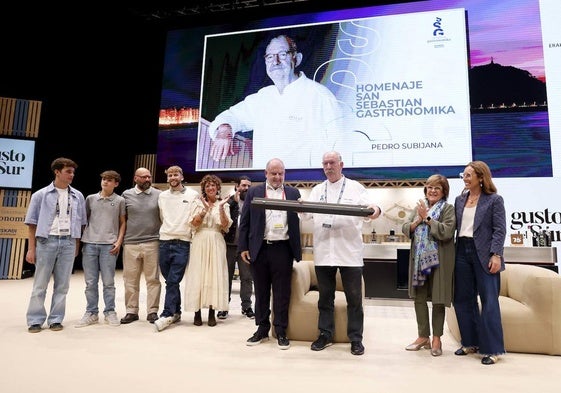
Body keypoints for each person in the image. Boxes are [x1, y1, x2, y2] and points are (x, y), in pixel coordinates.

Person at [207, 34, 345, 170]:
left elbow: (340, 147)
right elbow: (231, 116)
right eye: (270, 57)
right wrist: (224, 131)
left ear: (297, 59)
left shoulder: (321, 97)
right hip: (265, 186)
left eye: (282, 54)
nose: (276, 61)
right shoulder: (262, 97)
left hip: (306, 185)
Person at [299, 151, 381, 355]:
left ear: (341, 165)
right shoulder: (317, 190)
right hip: (324, 252)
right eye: (325, 163)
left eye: (332, 162)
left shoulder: (356, 188)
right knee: (325, 298)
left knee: (354, 299)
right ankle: (325, 334)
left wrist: (375, 209)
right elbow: (306, 214)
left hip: (349, 254)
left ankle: (356, 339)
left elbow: (372, 209)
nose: (328, 166)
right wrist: (299, 206)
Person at [238, 158, 302, 349]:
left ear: (284, 174)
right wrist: (243, 247)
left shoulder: (293, 192)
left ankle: (281, 330)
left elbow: (298, 221)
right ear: (266, 173)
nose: (277, 177)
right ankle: (262, 329)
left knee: (282, 293)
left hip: (283, 248)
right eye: (273, 173)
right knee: (261, 291)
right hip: (260, 248)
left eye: (280, 173)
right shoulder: (254, 192)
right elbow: (245, 221)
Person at [25, 157, 87, 333]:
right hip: (46, 241)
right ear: (57, 172)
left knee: (62, 285)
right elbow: (32, 224)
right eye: (68, 171)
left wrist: (76, 245)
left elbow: (81, 223)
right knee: (40, 284)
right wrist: (31, 248)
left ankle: (56, 319)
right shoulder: (40, 195)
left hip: (68, 241)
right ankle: (35, 320)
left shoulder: (77, 196)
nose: (72, 175)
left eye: (73, 172)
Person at [453, 161, 506, 365]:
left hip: (484, 254)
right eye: (463, 175)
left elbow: (499, 230)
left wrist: (496, 254)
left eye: (468, 175)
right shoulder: (459, 200)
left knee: (489, 301)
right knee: (462, 299)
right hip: (461, 251)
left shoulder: (494, 200)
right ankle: (470, 342)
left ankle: (492, 350)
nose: (465, 179)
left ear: (481, 177)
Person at [401, 174, 456, 356]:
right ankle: (423, 336)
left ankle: (437, 339)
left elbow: (447, 232)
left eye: (437, 188)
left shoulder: (448, 209)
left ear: (443, 192)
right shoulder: (420, 208)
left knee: (438, 299)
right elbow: (405, 227)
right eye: (429, 187)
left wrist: (428, 219)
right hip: (419, 259)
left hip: (440, 260)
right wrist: (419, 218)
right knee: (419, 298)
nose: (432, 191)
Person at [76, 170, 126, 328]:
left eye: (109, 180)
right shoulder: (90, 199)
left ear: (116, 183)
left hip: (109, 246)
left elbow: (123, 222)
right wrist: (81, 241)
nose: (105, 182)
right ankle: (91, 312)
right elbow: (85, 220)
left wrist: (119, 242)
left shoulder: (120, 200)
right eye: (103, 179)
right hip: (90, 244)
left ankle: (110, 312)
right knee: (90, 282)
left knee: (108, 282)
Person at [154, 166, 199, 332]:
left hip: (183, 242)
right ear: (167, 178)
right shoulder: (162, 196)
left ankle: (166, 314)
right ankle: (176, 311)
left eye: (176, 174)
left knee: (173, 280)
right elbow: (162, 217)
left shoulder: (192, 195)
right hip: (164, 240)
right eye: (170, 175)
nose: (173, 177)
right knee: (169, 280)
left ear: (181, 176)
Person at [184, 174, 232, 327]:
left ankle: (212, 312)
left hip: (216, 240)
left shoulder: (224, 204)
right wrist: (204, 210)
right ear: (204, 189)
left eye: (213, 185)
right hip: (200, 240)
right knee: (198, 275)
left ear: (218, 187)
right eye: (207, 186)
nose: (210, 188)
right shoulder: (197, 203)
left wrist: (221, 208)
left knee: (214, 276)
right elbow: (193, 224)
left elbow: (225, 226)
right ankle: (197, 312)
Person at [120, 167, 162, 324]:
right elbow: (122, 219)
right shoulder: (126, 195)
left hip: (152, 242)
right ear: (135, 178)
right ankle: (131, 311)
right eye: (143, 177)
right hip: (131, 243)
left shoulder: (159, 195)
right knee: (130, 279)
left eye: (149, 177)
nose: (147, 180)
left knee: (153, 279)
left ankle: (152, 311)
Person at [218, 175, 255, 320]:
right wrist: (232, 203)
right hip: (229, 246)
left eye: (248, 186)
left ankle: (247, 307)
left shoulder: (252, 203)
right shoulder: (229, 202)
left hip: (246, 247)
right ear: (237, 186)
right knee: (226, 277)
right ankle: (223, 307)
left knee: (247, 278)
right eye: (243, 185)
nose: (246, 188)